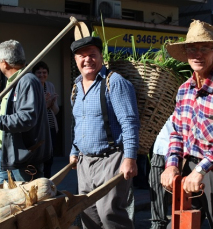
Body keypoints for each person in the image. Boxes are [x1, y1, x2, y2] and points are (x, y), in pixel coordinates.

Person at [161, 20, 213, 229]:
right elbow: (177, 134)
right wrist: (171, 165)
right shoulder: (184, 89)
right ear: (186, 53)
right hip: (188, 167)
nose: (198, 54)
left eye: (204, 48)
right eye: (192, 49)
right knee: (180, 224)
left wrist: (200, 170)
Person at [69, 36, 140, 229]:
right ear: (76, 60)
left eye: (92, 55)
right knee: (87, 215)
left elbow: (130, 122)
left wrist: (130, 158)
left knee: (111, 216)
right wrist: (74, 151)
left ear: (101, 56)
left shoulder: (114, 82)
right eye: (82, 56)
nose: (87, 60)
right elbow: (78, 124)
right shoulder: (76, 87)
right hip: (84, 162)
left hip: (111, 160)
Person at [0, 40, 52, 184]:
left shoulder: (27, 81)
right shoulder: (13, 82)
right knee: (2, 201)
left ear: (4, 62)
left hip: (24, 157)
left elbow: (26, 119)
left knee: (27, 202)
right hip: (8, 154)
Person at [32, 61, 59, 178]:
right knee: (38, 157)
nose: (42, 75)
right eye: (39, 72)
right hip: (38, 128)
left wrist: (52, 104)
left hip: (51, 126)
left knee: (49, 157)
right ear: (34, 74)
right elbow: (32, 110)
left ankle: (48, 181)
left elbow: (56, 111)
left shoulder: (50, 86)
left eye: (44, 72)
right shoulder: (31, 86)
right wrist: (44, 104)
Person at [149, 115, 173, 229]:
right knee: (156, 189)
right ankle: (157, 225)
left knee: (183, 198)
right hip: (160, 149)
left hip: (183, 151)